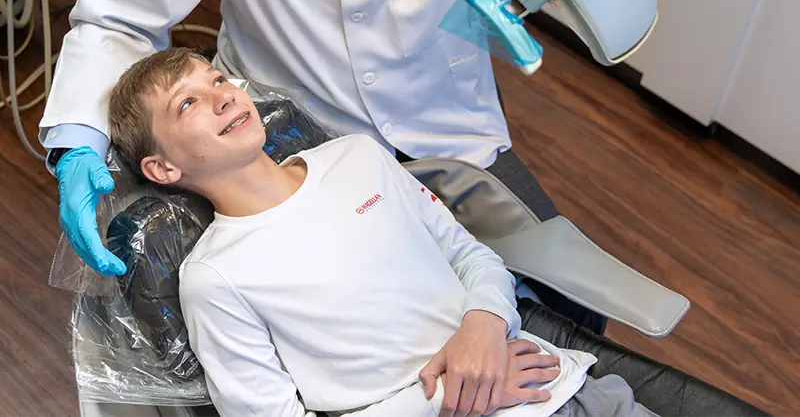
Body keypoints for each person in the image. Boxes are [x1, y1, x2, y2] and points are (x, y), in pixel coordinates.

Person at [41, 0, 607, 335]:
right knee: (342, 323)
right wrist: (78, 142)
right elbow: (120, 12)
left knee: (571, 307)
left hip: (443, 116)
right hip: (288, 129)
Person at [105, 46, 657, 417]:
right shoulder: (215, 277)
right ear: (162, 169)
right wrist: (450, 395)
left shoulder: (358, 158)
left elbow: (473, 257)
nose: (223, 95)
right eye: (188, 103)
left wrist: (486, 326)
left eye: (218, 78)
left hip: (565, 388)